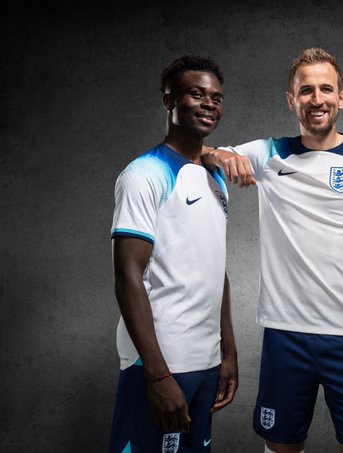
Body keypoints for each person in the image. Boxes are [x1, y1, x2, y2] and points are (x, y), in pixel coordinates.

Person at [202, 47, 343, 453]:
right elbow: (202, 154)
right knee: (280, 447)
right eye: (306, 90)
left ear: (341, 97)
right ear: (291, 99)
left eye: (326, 89)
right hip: (285, 335)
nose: (317, 99)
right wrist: (218, 153)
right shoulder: (269, 153)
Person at [108, 54, 238, 453]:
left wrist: (228, 351)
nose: (208, 104)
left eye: (215, 97)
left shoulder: (216, 177)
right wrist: (158, 375)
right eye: (196, 94)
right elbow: (128, 274)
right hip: (160, 363)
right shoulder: (144, 175)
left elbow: (216, 268)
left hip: (206, 360)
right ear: (169, 101)